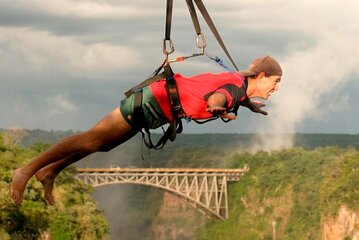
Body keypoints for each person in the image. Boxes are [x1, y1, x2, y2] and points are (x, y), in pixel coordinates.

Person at [10, 55, 282, 205]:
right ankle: (26, 170)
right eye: (275, 81)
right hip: (150, 102)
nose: (276, 88)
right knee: (91, 139)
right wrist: (216, 107)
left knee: (100, 145)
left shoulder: (239, 85)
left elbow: (234, 92)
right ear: (260, 77)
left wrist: (248, 105)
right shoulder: (233, 89)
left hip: (156, 107)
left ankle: (50, 171)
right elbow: (220, 96)